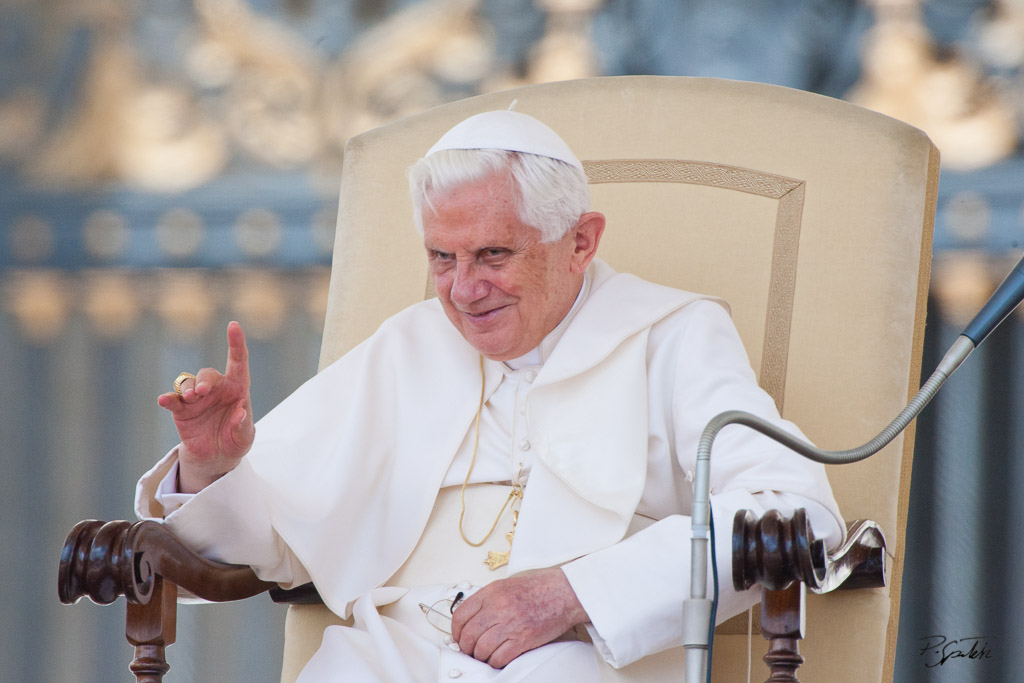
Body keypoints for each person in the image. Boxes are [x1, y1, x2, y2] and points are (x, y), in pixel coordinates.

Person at [136, 109, 844, 681]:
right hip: (397, 654)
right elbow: (278, 538)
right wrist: (215, 468)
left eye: (493, 255)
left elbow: (795, 510)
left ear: (580, 241)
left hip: (583, 659)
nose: (464, 290)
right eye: (442, 258)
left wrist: (573, 593)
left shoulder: (674, 334)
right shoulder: (406, 347)